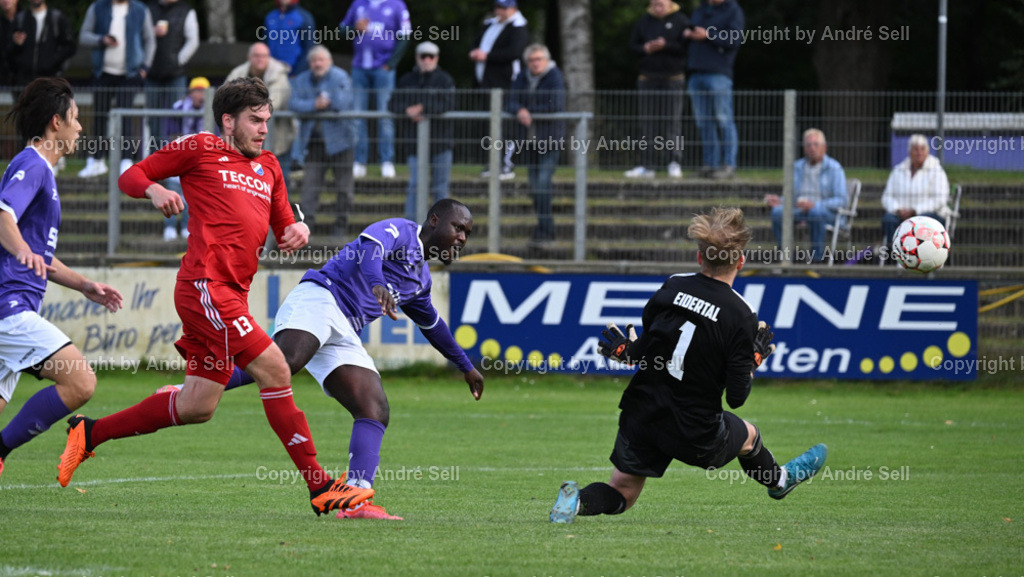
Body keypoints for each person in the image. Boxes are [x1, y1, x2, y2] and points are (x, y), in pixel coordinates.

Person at [56, 77, 375, 518]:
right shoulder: (201, 147)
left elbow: (285, 231)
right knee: (275, 368)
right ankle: (320, 487)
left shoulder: (270, 167)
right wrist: (155, 189)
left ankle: (89, 434)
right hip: (206, 287)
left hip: (231, 296)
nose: (264, 129)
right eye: (254, 120)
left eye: (267, 120)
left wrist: (298, 232)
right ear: (228, 121)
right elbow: (132, 174)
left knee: (196, 406)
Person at [164, 198, 484, 520]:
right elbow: (369, 253)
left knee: (374, 407)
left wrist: (467, 367)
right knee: (285, 361)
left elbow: (433, 326)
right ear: (434, 220)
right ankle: (184, 391)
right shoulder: (401, 231)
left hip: (345, 329)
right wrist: (377, 285)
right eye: (458, 227)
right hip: (322, 296)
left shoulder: (421, 281)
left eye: (467, 233)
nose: (462, 238)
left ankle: (356, 501)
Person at [549, 207, 827, 524]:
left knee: (623, 492)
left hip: (644, 413)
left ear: (699, 258)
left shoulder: (672, 286)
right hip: (695, 429)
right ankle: (779, 482)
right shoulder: (741, 314)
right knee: (748, 436)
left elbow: (649, 345)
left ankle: (575, 502)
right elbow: (737, 396)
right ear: (740, 261)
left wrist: (627, 351)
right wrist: (754, 359)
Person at [0, 77, 124, 480]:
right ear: (56, 122)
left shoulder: (43, 173)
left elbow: (41, 257)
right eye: (75, 118)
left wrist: (84, 285)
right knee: (80, 381)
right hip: (9, 308)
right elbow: (3, 217)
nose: (81, 128)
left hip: (14, 308)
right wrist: (19, 249)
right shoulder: (32, 164)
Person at [76, 0, 156, 178]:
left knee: (126, 117)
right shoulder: (97, 7)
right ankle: (96, 161)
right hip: (103, 73)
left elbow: (150, 40)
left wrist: (145, 68)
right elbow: (84, 36)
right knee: (99, 117)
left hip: (129, 74)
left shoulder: (141, 10)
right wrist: (101, 39)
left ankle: (126, 161)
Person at [288, 46, 356, 238]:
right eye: (314, 61)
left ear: (329, 61)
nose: (317, 64)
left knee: (344, 189)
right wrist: (315, 104)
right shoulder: (302, 79)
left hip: (342, 142)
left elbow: (342, 103)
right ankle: (306, 229)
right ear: (310, 63)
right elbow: (293, 103)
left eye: (321, 60)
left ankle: (341, 226)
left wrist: (321, 104)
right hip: (314, 143)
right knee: (310, 188)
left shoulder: (340, 76)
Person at [340, 0, 411, 179]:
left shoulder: (397, 5)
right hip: (359, 68)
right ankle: (359, 161)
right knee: (357, 116)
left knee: (384, 116)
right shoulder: (358, 4)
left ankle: (386, 161)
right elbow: (342, 30)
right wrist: (355, 28)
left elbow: (405, 35)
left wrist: (391, 63)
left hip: (383, 69)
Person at [389, 41, 455, 222]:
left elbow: (449, 103)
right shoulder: (406, 80)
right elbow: (393, 103)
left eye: (431, 56)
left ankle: (443, 227)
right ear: (417, 58)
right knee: (415, 185)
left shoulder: (445, 80)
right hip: (415, 143)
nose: (427, 60)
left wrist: (423, 108)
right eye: (423, 56)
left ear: (437, 58)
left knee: (440, 187)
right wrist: (407, 111)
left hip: (441, 143)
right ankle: (411, 227)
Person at [506, 44, 565, 248]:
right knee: (535, 187)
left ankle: (546, 231)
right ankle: (543, 230)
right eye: (532, 60)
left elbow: (555, 104)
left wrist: (526, 110)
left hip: (549, 141)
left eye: (539, 59)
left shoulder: (554, 76)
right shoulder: (522, 77)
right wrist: (520, 110)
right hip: (529, 142)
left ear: (546, 60)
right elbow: (510, 101)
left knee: (542, 185)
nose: (535, 63)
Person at [624, 0, 688, 179]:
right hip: (647, 78)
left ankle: (674, 163)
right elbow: (632, 46)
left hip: (673, 78)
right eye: (654, 4)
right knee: (647, 123)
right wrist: (645, 48)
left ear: (669, 3)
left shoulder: (681, 20)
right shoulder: (643, 21)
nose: (657, 8)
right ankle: (647, 166)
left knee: (672, 122)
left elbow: (685, 47)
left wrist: (665, 45)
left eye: (660, 4)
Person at [764, 128, 848, 263]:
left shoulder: (834, 168)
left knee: (816, 212)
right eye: (808, 145)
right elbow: (792, 197)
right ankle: (785, 257)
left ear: (824, 147)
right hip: (799, 210)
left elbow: (842, 200)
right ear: (804, 148)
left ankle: (816, 260)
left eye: (816, 144)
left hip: (825, 213)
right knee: (777, 212)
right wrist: (780, 200)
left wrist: (815, 205)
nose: (812, 148)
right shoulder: (797, 167)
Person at [470, 0, 529, 180]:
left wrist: (487, 56)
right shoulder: (490, 23)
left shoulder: (518, 27)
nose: (500, 11)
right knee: (491, 126)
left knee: (506, 126)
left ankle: (506, 164)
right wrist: (474, 51)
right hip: (487, 85)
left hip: (505, 85)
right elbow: (476, 42)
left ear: (514, 9)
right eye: (498, 7)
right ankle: (492, 163)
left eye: (504, 8)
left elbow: (514, 52)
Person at [684, 0, 743, 180]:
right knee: (703, 122)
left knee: (723, 119)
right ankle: (710, 165)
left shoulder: (733, 10)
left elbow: (734, 38)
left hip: (719, 73)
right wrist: (688, 34)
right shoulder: (701, 9)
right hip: (696, 73)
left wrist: (708, 34)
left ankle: (728, 166)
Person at [144, 0, 200, 154]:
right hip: (152, 73)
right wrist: (151, 32)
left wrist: (178, 61)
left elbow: (193, 41)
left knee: (177, 117)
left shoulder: (186, 10)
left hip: (176, 74)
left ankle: (175, 157)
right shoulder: (149, 8)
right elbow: (140, 34)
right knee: (153, 118)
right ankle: (155, 157)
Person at [160, 75, 208, 241]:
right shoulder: (179, 108)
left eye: (203, 92)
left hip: (199, 161)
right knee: (172, 195)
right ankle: (170, 227)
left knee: (192, 197)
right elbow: (170, 133)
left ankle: (187, 228)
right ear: (190, 92)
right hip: (178, 157)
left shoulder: (212, 110)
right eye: (197, 91)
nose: (200, 95)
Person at [881, 134, 950, 248]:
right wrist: (898, 209)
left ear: (927, 151)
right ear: (909, 152)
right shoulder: (898, 170)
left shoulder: (937, 170)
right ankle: (897, 255)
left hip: (927, 216)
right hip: (901, 215)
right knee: (888, 220)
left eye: (922, 149)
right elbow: (886, 197)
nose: (919, 152)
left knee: (923, 223)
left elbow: (940, 199)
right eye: (915, 149)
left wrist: (915, 211)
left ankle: (919, 257)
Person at [227, 42, 293, 159]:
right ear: (249, 57)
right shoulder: (237, 73)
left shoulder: (278, 74)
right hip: (243, 138)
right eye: (257, 55)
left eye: (264, 56)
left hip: (275, 135)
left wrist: (242, 108)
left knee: (277, 174)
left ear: (269, 57)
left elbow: (273, 104)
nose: (260, 59)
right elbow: (226, 98)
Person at [8, 0, 78, 89]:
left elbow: (70, 46)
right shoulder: (20, 19)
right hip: (24, 80)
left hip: (50, 79)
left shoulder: (57, 18)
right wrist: (16, 44)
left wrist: (53, 61)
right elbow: (8, 50)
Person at [264, 0, 315, 79]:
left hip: (292, 73)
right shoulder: (270, 16)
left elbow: (309, 48)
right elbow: (265, 44)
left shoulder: (304, 17)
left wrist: (298, 72)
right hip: (270, 71)